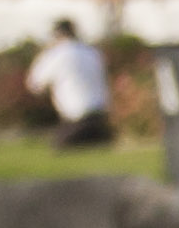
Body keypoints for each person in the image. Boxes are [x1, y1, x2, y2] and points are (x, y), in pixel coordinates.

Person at [24, 15, 114, 150]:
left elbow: (35, 85)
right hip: (102, 122)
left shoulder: (56, 54)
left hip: (76, 122)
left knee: (59, 145)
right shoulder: (92, 52)